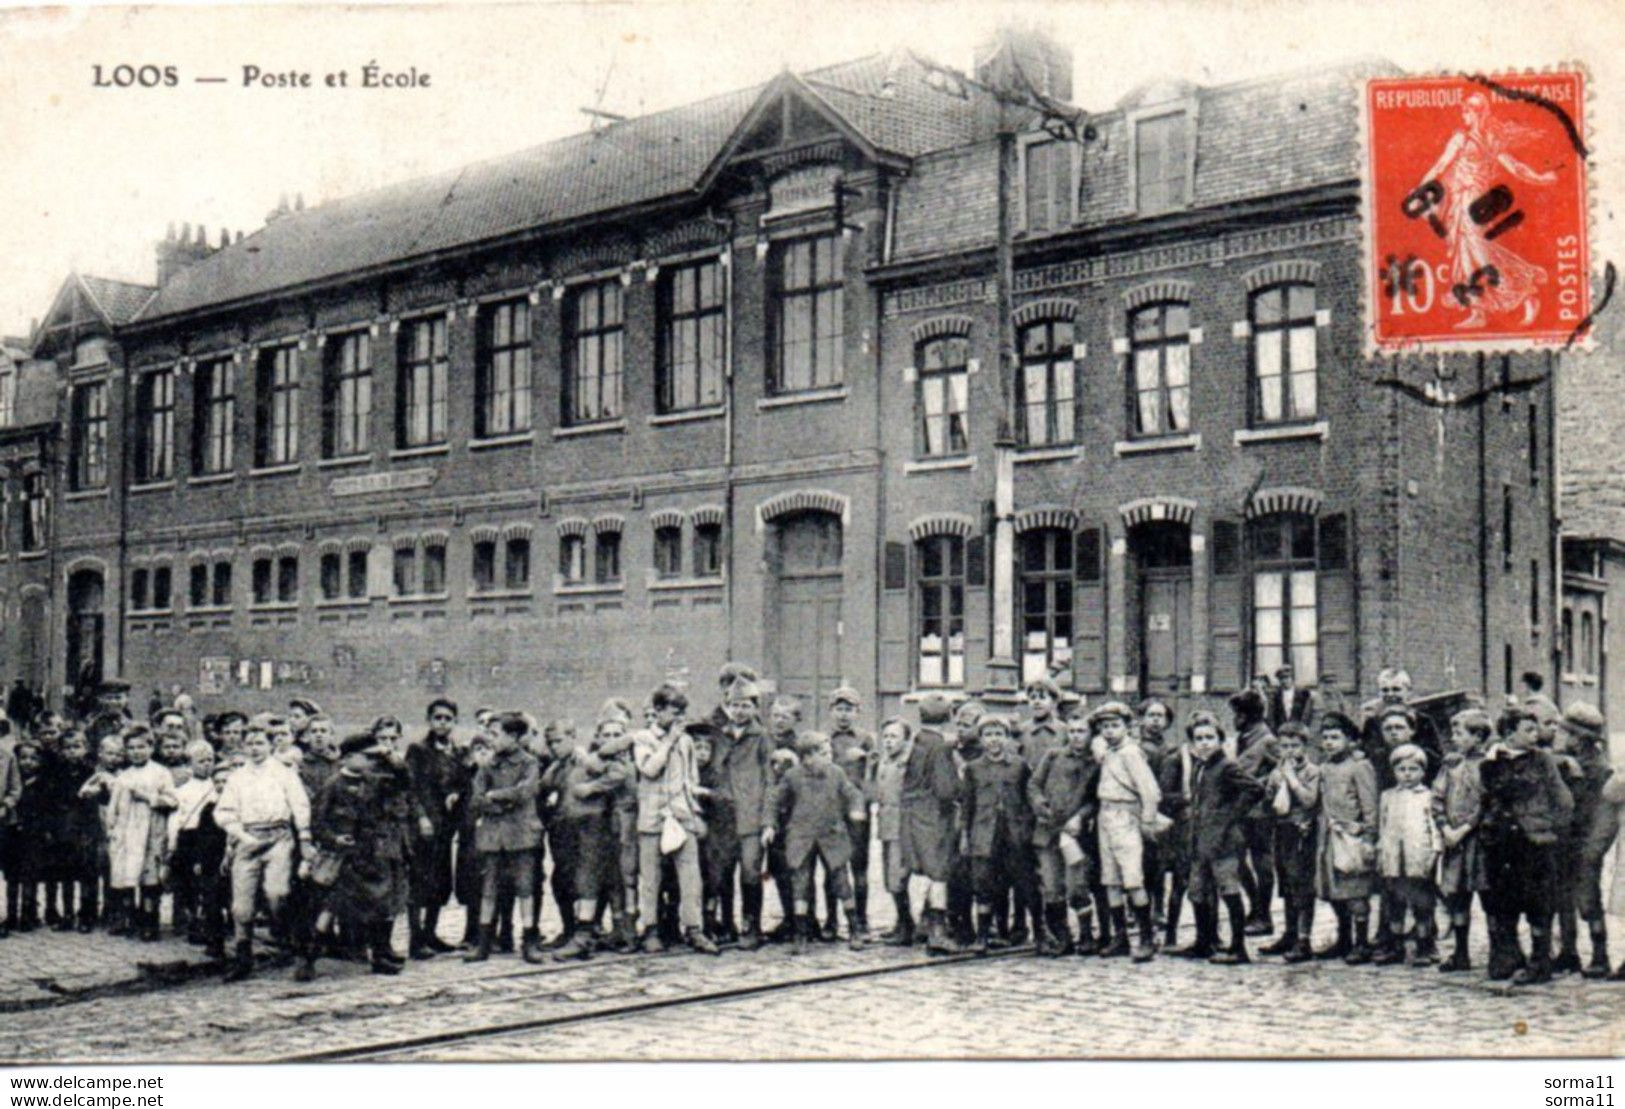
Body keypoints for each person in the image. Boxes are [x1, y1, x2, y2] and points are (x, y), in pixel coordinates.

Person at [1480, 706, 1574, 985]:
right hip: (1501, 843)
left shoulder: (1542, 761)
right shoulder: (1490, 764)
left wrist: (1546, 828)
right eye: (1528, 730)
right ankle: (1508, 956)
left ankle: (1540, 961)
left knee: (1539, 902)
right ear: (1509, 733)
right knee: (1503, 900)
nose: (1536, 735)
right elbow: (1487, 800)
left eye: (1536, 729)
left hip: (1533, 843)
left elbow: (1564, 801)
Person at [214, 724, 313, 981]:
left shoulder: (284, 773)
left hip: (279, 837)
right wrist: (240, 837)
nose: (254, 749)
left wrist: (303, 836)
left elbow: (300, 805)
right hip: (247, 840)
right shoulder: (237, 777)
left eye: (260, 743)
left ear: (271, 745)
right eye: (249, 744)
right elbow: (224, 812)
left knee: (277, 892)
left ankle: (288, 940)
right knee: (241, 906)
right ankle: (242, 957)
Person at [764, 731, 868, 953]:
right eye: (823, 753)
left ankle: (854, 929)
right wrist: (769, 824)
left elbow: (852, 793)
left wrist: (856, 809)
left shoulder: (836, 773)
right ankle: (800, 935)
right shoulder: (793, 775)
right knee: (800, 884)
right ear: (807, 757)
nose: (828, 757)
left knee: (842, 883)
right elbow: (774, 799)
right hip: (802, 837)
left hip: (832, 836)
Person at [632, 684, 716, 955]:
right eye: (674, 712)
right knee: (651, 879)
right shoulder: (643, 738)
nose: (679, 718)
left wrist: (695, 812)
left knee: (691, 878)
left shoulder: (687, 742)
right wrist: (667, 742)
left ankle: (694, 930)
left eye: (683, 713)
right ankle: (651, 930)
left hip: (681, 817)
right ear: (657, 711)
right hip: (652, 818)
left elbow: (690, 780)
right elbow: (649, 769)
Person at [310, 738, 401, 977]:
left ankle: (380, 957)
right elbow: (317, 822)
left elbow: (403, 781)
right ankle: (308, 957)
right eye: (365, 756)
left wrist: (390, 757)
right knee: (331, 908)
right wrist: (334, 839)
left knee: (380, 905)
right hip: (345, 857)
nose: (370, 760)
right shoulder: (333, 785)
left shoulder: (373, 781)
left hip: (371, 852)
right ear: (348, 757)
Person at [1180, 712, 1265, 965]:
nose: (1204, 743)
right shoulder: (1200, 766)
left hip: (1225, 842)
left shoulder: (1227, 766)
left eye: (1210, 737)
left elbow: (1255, 789)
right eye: (1199, 738)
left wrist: (1230, 816)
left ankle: (1238, 947)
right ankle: (1204, 941)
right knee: (1197, 891)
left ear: (1220, 739)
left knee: (1229, 890)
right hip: (1201, 840)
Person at [464, 713, 544, 962]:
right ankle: (483, 943)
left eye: (496, 734)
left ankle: (529, 942)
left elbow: (527, 792)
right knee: (488, 890)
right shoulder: (487, 765)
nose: (491, 740)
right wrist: (501, 802)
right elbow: (476, 799)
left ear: (515, 737)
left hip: (521, 835)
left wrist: (494, 796)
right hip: (492, 837)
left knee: (525, 889)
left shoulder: (529, 763)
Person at [957, 716, 1036, 955]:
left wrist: (1027, 831)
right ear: (981, 739)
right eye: (989, 734)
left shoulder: (1019, 766)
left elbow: (1027, 800)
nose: (994, 740)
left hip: (1014, 833)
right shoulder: (973, 769)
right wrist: (964, 836)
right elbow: (967, 805)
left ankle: (1032, 931)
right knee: (984, 882)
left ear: (1007, 738)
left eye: (999, 734)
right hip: (984, 833)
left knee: (1022, 881)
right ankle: (982, 935)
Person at [1092, 701, 1162, 962]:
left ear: (1127, 727)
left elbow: (1151, 791)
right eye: (1104, 727)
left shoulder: (1131, 753)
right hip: (1106, 815)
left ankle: (1145, 937)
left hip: (1126, 817)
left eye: (1114, 725)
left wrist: (1146, 821)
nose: (1109, 731)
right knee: (1110, 879)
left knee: (1133, 879)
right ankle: (1120, 936)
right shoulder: (1108, 751)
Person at [1029, 714, 1100, 956]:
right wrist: (1040, 804)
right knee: (1051, 886)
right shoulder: (1053, 757)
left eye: (1081, 731)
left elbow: (1095, 799)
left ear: (1090, 735)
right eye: (1072, 731)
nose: (1076, 736)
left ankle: (1087, 935)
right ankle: (1062, 937)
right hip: (1048, 832)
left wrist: (1081, 816)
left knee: (1076, 886)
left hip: (1074, 836)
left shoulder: (1095, 763)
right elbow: (1034, 785)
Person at [1549, 703, 1610, 976]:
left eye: (1568, 733)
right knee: (1562, 897)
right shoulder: (1564, 759)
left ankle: (1600, 955)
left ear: (1581, 738)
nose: (1563, 737)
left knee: (1587, 899)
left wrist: (1591, 849)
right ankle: (1568, 952)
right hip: (1564, 839)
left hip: (1585, 842)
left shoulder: (1598, 769)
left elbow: (1594, 813)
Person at [1314, 711, 1379, 963]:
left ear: (1350, 740)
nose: (1329, 742)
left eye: (1335, 737)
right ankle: (1344, 939)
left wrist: (1368, 835)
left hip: (1352, 838)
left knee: (1356, 892)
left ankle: (1362, 943)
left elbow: (1369, 805)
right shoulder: (1325, 767)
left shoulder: (1360, 767)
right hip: (1328, 837)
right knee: (1334, 890)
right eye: (1326, 738)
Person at [406, 698, 468, 955]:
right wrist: (421, 817)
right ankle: (416, 939)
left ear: (455, 722)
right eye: (437, 718)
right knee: (419, 880)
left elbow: (461, 782)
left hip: (445, 826)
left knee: (440, 882)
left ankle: (431, 933)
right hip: (424, 826)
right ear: (429, 720)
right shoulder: (418, 750)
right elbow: (411, 787)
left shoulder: (458, 752)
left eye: (447, 718)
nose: (442, 723)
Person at [1375, 744, 1443, 967]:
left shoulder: (1427, 796)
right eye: (1401, 769)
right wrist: (1381, 851)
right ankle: (1395, 945)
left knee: (1422, 903)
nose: (1406, 774)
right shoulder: (1388, 796)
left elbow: (1434, 826)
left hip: (1418, 856)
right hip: (1394, 857)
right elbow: (1383, 826)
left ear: (1423, 771)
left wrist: (1435, 850)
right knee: (1395, 903)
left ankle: (1426, 944)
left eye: (1412, 769)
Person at [1433, 708, 1490, 972]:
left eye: (1460, 733)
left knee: (1488, 896)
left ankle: (1500, 951)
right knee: (1457, 896)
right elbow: (1437, 797)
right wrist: (1445, 827)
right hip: (1453, 842)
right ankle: (1461, 951)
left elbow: (1485, 802)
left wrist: (1465, 828)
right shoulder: (1451, 765)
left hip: (1479, 842)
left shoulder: (1489, 765)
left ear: (1478, 736)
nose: (1454, 738)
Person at [716, 677, 771, 949]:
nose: (739, 711)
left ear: (755, 708)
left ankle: (752, 926)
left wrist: (768, 821)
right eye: (735, 705)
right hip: (725, 818)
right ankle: (726, 923)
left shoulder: (762, 738)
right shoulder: (720, 736)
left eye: (746, 705)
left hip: (752, 818)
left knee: (750, 871)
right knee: (724, 872)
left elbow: (771, 781)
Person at [106, 727, 176, 942]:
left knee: (149, 879)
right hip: (127, 833)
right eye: (131, 748)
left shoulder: (161, 772)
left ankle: (149, 923)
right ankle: (129, 919)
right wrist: (112, 829)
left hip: (150, 832)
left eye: (141, 747)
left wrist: (148, 797)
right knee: (125, 875)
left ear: (151, 748)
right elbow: (114, 807)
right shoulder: (123, 776)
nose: (136, 752)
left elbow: (172, 800)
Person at [1259, 723, 1321, 962]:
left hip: (1302, 832)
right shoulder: (1277, 771)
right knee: (1285, 885)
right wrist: (1274, 786)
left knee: (1302, 886)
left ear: (1305, 746)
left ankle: (1304, 939)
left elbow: (1308, 800)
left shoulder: (1312, 771)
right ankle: (1290, 933)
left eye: (1295, 745)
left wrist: (1292, 779)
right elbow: (1269, 803)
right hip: (1282, 831)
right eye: (1284, 746)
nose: (1289, 751)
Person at [825, 686, 874, 939]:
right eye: (839, 709)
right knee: (832, 866)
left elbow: (876, 776)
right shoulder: (824, 740)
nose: (844, 715)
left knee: (859, 867)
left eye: (849, 710)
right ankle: (831, 921)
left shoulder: (867, 740)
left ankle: (862, 920)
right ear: (831, 711)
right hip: (831, 812)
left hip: (857, 813)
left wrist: (866, 757)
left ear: (858, 712)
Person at [1230, 688, 1278, 936]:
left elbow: (1283, 768)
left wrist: (1261, 784)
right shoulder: (1244, 738)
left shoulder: (1267, 740)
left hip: (1260, 813)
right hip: (1241, 811)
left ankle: (1264, 914)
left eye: (1236, 714)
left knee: (1262, 863)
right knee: (1237, 861)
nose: (1233, 719)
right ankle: (1255, 907)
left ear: (1245, 715)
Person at [166, 740, 218, 941]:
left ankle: (208, 922)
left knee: (207, 882)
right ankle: (187, 921)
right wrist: (172, 845)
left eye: (210, 760)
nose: (206, 764)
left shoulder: (218, 787)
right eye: (201, 761)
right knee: (186, 883)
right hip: (188, 838)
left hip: (211, 839)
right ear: (189, 765)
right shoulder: (182, 791)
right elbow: (175, 820)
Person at [870, 717, 915, 945]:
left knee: (897, 877)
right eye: (885, 736)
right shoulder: (883, 761)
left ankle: (907, 926)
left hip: (902, 826)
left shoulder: (909, 763)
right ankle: (902, 921)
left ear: (906, 740)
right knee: (889, 877)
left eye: (894, 736)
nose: (888, 741)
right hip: (886, 825)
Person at [55, 730, 102, 932]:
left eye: (77, 747)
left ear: (86, 748)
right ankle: (67, 914)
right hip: (65, 829)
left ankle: (87, 915)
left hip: (86, 829)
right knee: (66, 874)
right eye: (67, 748)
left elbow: (95, 803)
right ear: (61, 751)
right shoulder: (57, 772)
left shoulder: (91, 772)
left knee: (87, 874)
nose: (72, 752)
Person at [1268, 664, 1319, 734]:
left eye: (1287, 678)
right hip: (1281, 730)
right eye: (1282, 679)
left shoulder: (1302, 693)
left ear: (1292, 678)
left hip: (1298, 729)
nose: (1284, 681)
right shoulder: (1276, 695)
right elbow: (1272, 715)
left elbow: (1307, 711)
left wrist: (1304, 726)